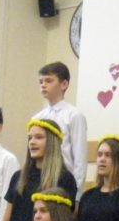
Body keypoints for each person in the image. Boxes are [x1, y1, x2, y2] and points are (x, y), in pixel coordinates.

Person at [33, 62, 88, 198]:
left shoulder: (74, 115)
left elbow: (79, 158)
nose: (43, 85)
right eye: (41, 82)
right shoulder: (37, 118)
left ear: (64, 84)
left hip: (63, 181)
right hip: (40, 180)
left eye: (49, 81)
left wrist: (77, 195)